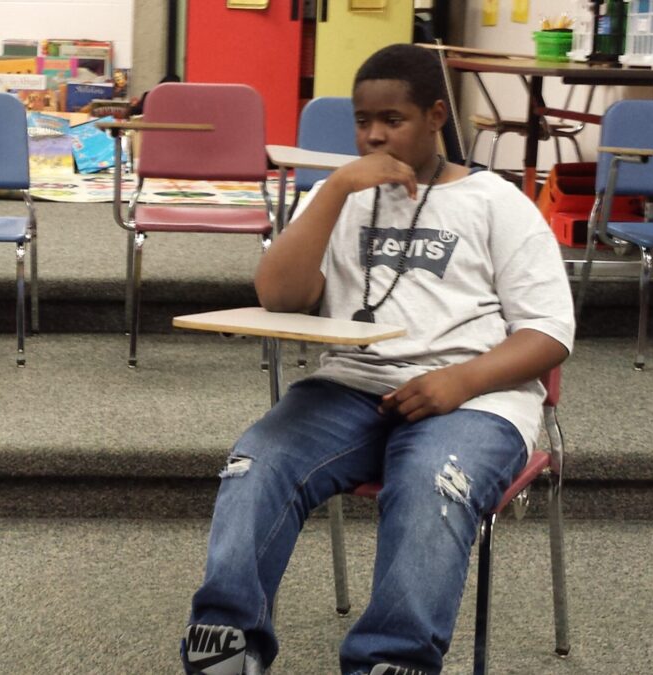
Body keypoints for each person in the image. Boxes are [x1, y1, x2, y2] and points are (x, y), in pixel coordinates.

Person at [181, 43, 574, 675]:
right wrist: (335, 189)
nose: (373, 135)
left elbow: (551, 333)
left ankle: (392, 661)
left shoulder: (496, 203)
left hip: (473, 399)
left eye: (393, 120)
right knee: (257, 463)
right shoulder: (342, 194)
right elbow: (279, 296)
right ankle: (228, 641)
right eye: (363, 121)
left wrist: (460, 380)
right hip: (351, 387)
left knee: (428, 485)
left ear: (436, 115)